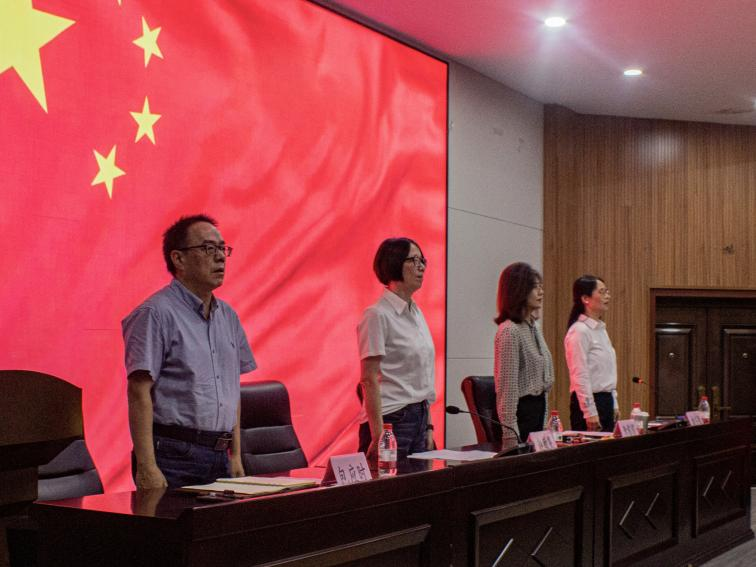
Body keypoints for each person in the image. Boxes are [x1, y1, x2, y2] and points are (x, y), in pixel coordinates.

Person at [122, 214, 256, 489]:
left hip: (220, 455)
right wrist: (147, 467)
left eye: (223, 248)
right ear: (178, 259)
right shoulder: (155, 314)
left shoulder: (228, 316)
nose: (220, 257)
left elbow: (231, 390)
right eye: (208, 248)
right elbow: (138, 392)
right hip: (173, 457)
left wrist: (235, 454)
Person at [357, 237, 436, 463]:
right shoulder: (377, 315)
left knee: (423, 483)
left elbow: (423, 375)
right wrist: (378, 435)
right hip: (392, 421)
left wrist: (429, 426)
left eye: (423, 261)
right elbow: (369, 379)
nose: (421, 267)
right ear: (393, 263)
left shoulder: (416, 312)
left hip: (420, 418)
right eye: (414, 260)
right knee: (391, 484)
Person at [493, 262, 554, 443]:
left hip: (537, 414)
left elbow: (542, 383)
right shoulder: (509, 331)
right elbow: (507, 390)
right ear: (519, 290)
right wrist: (510, 435)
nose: (541, 292)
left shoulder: (534, 327)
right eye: (536, 287)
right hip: (521, 418)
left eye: (541, 286)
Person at [564, 275, 618, 432]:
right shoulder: (579, 331)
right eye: (602, 292)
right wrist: (590, 412)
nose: (607, 296)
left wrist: (614, 403)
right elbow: (580, 375)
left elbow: (607, 372)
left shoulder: (601, 329)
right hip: (589, 404)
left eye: (607, 291)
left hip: (605, 400)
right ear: (585, 299)